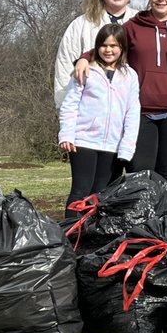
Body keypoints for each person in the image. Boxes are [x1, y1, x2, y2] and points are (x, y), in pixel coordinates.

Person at [74, 0, 167, 183]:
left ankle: (165, 216)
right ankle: (141, 215)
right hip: (141, 112)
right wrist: (83, 58)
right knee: (140, 172)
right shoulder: (133, 27)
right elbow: (107, 45)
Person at [58, 23, 140, 204]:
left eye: (114, 46)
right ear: (97, 47)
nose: (108, 50)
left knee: (101, 195)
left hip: (112, 145)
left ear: (122, 48)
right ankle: (70, 231)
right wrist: (67, 135)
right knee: (80, 191)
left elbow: (132, 112)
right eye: (104, 45)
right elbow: (70, 104)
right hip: (83, 141)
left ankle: (92, 232)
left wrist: (127, 147)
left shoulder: (130, 76)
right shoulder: (86, 70)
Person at [54, 0, 132, 107]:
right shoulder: (81, 24)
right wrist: (65, 105)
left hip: (127, 105)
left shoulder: (139, 21)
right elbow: (64, 64)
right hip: (89, 107)